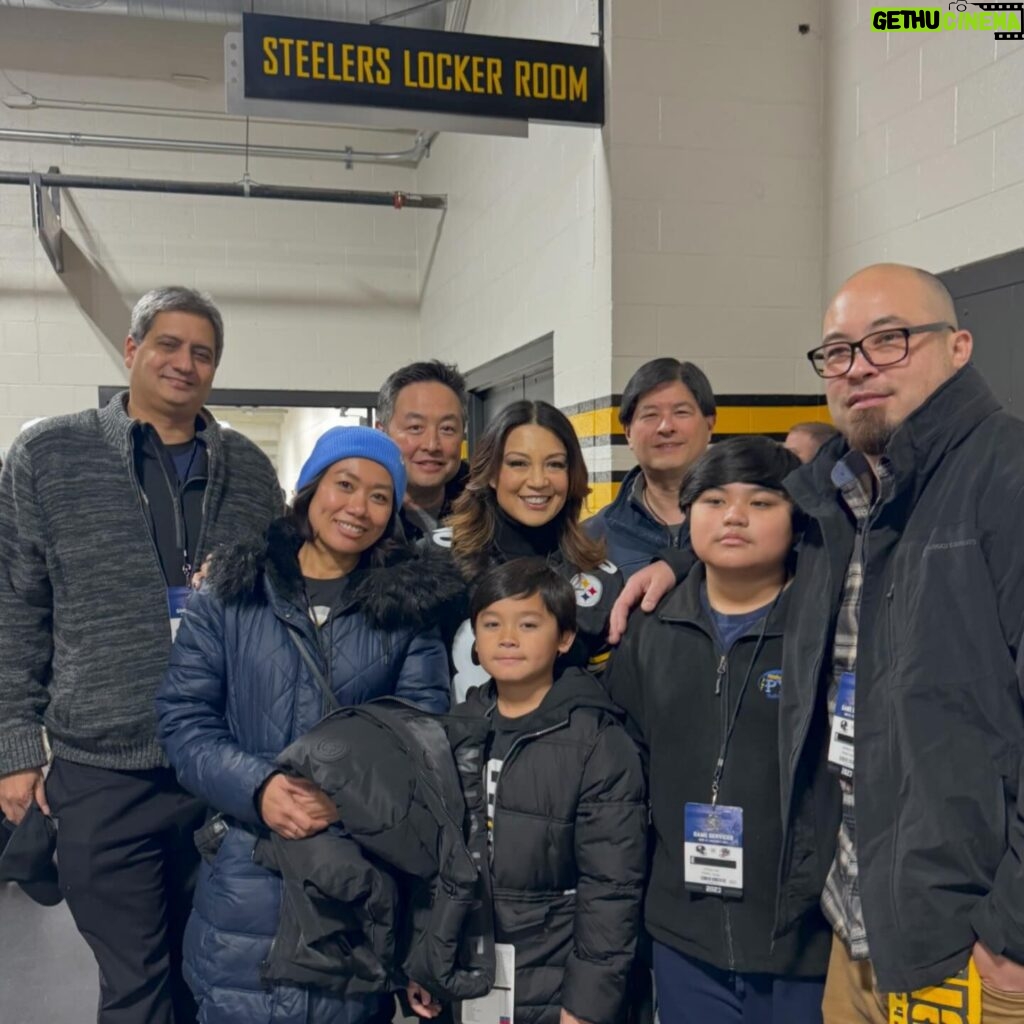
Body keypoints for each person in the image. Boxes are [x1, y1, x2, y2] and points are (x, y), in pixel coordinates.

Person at [611, 263, 1024, 1022]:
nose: (859, 366)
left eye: (890, 340)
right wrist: (677, 563)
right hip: (855, 930)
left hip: (970, 942)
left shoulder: (1003, 478)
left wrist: (1012, 931)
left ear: (959, 346)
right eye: (837, 351)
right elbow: (747, 514)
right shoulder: (843, 498)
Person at [0, 286, 283, 1024]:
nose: (183, 363)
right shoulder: (48, 454)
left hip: (219, 766)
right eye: (167, 344)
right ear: (131, 351)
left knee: (214, 970)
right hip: (103, 770)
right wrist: (15, 746)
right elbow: (14, 609)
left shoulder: (250, 472)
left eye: (202, 352)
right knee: (136, 982)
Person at [156, 426, 458, 1024]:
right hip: (245, 871)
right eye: (345, 485)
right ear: (311, 488)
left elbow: (422, 732)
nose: (358, 508)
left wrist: (344, 799)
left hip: (353, 877)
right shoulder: (233, 592)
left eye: (379, 496)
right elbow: (184, 718)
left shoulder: (406, 612)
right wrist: (259, 788)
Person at [606, 437, 830, 1024]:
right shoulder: (651, 630)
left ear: (795, 517)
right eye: (712, 500)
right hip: (686, 933)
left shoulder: (828, 630)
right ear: (688, 516)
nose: (734, 517)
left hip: (808, 939)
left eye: (761, 502)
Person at [406, 559, 646, 1024]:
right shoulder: (452, 730)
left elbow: (612, 889)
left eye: (529, 623)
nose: (508, 637)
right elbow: (428, 867)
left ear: (565, 638)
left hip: (554, 979)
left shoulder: (598, 740)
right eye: (491, 624)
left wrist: (587, 1004)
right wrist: (424, 963)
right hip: (463, 974)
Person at [436, 399, 623, 701]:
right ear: (492, 473)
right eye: (518, 463)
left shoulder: (601, 581)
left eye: (555, 464)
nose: (538, 481)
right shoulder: (438, 560)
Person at [585, 358, 716, 578]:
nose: (666, 427)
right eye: (650, 415)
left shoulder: (749, 526)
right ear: (628, 433)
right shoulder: (592, 540)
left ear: (710, 424)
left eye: (681, 412)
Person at [376, 359, 470, 544]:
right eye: (415, 427)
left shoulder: (488, 515)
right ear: (382, 433)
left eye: (447, 429)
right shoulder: (355, 515)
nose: (432, 445)